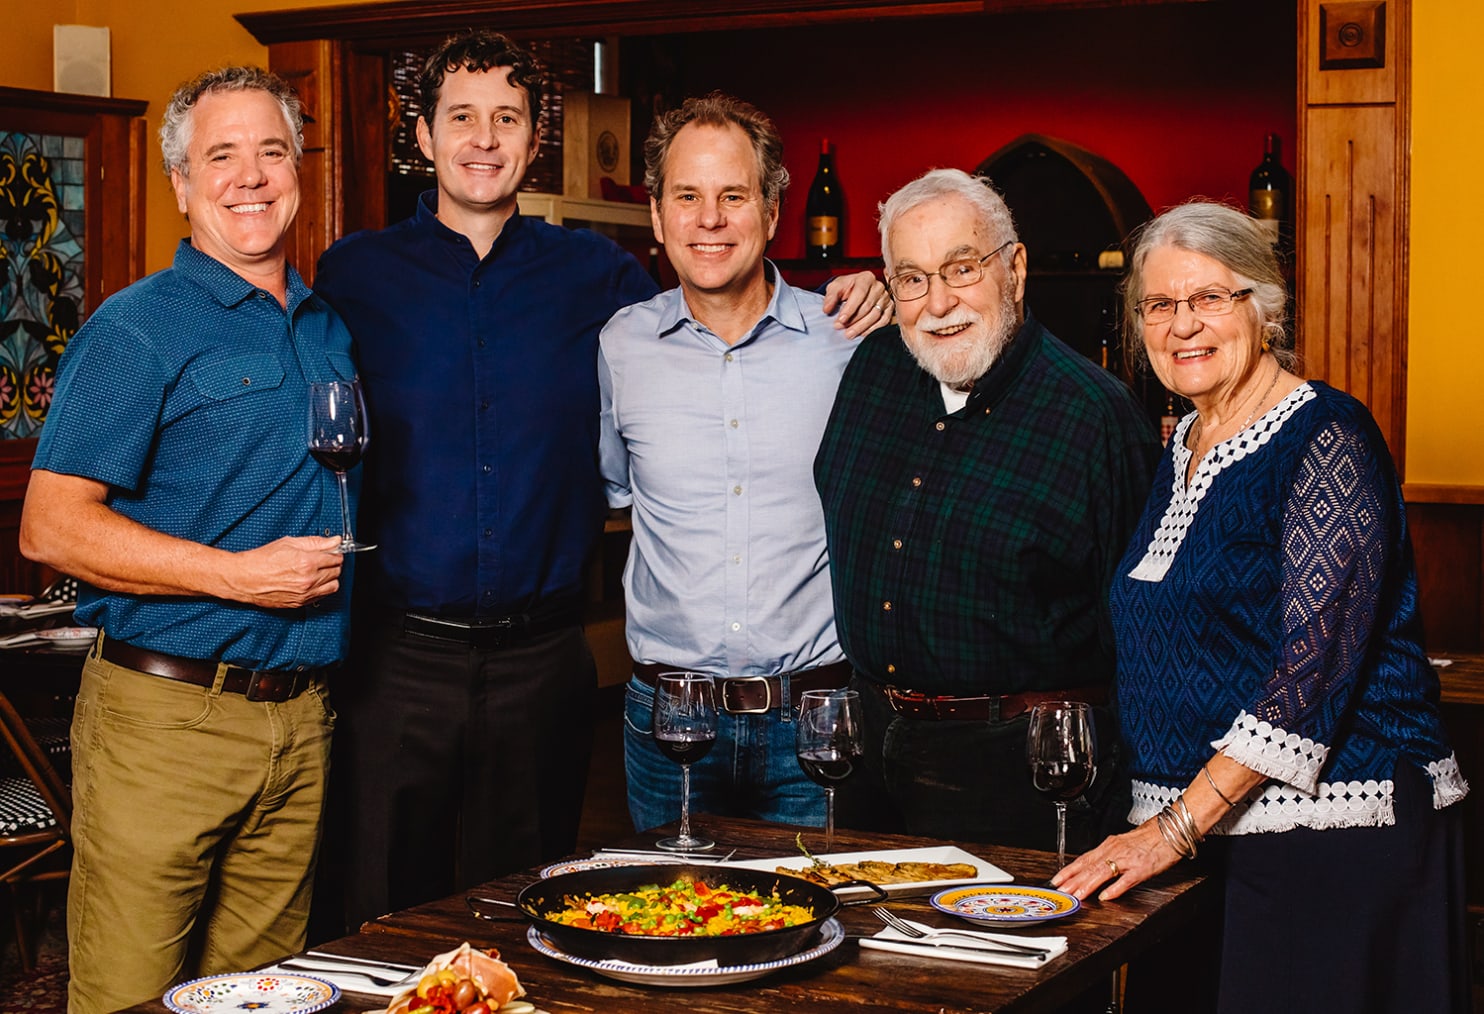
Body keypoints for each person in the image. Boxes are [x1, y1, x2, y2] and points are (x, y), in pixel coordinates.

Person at [314, 31, 883, 927]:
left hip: (543, 660)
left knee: (544, 907)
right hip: (399, 658)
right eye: (461, 117)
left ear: (534, 137)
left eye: (507, 118)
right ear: (422, 137)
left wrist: (873, 291)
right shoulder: (352, 274)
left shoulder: (600, 283)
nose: (483, 139)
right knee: (388, 908)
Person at [1054, 201, 1470, 1013]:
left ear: (1265, 306)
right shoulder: (1181, 444)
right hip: (1205, 840)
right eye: (1161, 305)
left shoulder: (1328, 436)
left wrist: (1171, 830)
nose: (1184, 325)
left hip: (1339, 836)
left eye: (1210, 297)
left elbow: (1308, 674)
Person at [18, 67, 351, 1014]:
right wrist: (238, 579)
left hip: (302, 717)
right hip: (166, 721)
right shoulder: (136, 329)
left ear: (298, 170)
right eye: (221, 156)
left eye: (271, 152)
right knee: (128, 997)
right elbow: (50, 525)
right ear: (181, 182)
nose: (250, 176)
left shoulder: (327, 327)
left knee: (264, 998)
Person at [815, 168, 1160, 851]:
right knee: (862, 952)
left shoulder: (1095, 416)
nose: (938, 301)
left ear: (1015, 268)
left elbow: (1141, 637)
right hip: (866, 746)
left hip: (1018, 765)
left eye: (961, 268)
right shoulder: (871, 370)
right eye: (911, 278)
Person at [600, 94, 888, 833]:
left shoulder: (848, 336)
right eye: (686, 197)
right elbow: (614, 492)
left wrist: (892, 289)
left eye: (734, 196)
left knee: (829, 933)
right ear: (658, 218)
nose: (710, 219)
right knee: (666, 935)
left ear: (772, 210)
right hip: (671, 726)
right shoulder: (621, 346)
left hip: (815, 720)